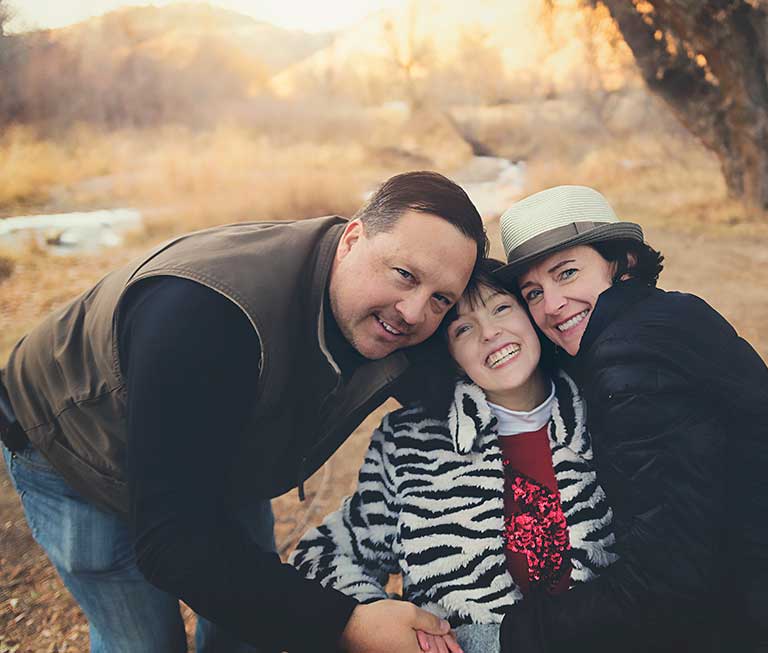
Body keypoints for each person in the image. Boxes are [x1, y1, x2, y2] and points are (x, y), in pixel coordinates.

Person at [0, 171, 488, 653]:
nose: (413, 312)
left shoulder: (398, 309)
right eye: (404, 275)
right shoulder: (204, 317)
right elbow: (174, 539)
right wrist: (347, 623)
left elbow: (494, 373)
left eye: (441, 299)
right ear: (353, 238)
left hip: (221, 442)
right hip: (72, 441)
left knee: (245, 620)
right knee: (143, 639)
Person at [487, 185, 768, 652]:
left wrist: (510, 636)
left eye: (566, 273)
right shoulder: (668, 317)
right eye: (533, 293)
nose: (551, 305)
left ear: (622, 263)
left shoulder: (627, 361)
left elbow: (664, 579)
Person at [290, 260, 617, 653]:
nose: (490, 333)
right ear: (449, 354)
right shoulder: (409, 442)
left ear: (530, 316)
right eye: (463, 328)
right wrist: (372, 621)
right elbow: (321, 556)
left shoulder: (608, 409)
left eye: (501, 308)